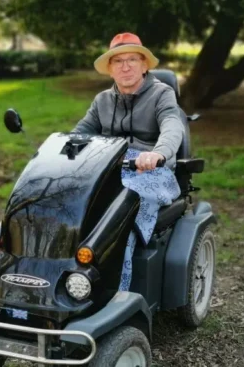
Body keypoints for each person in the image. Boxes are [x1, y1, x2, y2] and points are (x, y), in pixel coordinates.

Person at [71, 32, 185, 291]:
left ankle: (117, 293)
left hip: (153, 170)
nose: (125, 67)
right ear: (110, 69)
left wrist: (159, 153)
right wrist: (58, 151)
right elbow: (80, 133)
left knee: (123, 217)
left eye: (132, 59)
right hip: (110, 168)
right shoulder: (102, 100)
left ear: (144, 65)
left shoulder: (162, 94)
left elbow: (172, 124)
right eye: (118, 61)